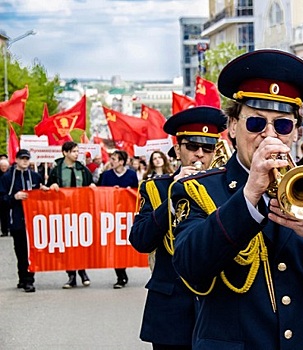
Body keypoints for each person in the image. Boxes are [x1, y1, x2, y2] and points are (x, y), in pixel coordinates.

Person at [170, 49, 303, 349]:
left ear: (295, 132)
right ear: (232, 126)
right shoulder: (197, 190)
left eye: (282, 125)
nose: (269, 135)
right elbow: (189, 268)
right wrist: (248, 197)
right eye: (256, 123)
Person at [130, 106, 227, 349]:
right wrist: (173, 195)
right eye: (192, 147)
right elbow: (141, 240)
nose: (200, 155)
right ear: (177, 149)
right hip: (171, 310)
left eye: (207, 149)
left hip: (218, 305)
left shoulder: (227, 189)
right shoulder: (156, 188)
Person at [46, 141, 96, 289]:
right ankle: (71, 275)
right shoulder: (57, 170)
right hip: (64, 211)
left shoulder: (83, 169)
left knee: (81, 242)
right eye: (73, 151)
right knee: (68, 243)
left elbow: (91, 184)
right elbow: (50, 185)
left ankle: (83, 271)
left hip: (82, 210)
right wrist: (52, 186)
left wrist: (92, 186)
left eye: (77, 151)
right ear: (65, 153)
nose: (76, 154)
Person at [0, 150, 50, 292]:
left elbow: (41, 194)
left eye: (27, 159)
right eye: (22, 159)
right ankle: (22, 277)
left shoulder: (35, 176)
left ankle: (29, 279)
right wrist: (14, 197)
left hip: (33, 220)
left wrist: (45, 191)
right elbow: (2, 198)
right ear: (16, 160)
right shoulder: (7, 178)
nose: (25, 161)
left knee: (30, 251)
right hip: (16, 219)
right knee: (20, 251)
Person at [100, 150, 138, 289]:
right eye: (111, 158)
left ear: (122, 162)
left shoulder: (131, 175)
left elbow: (137, 192)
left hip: (126, 215)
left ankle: (123, 270)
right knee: (114, 244)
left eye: (114, 159)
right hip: (111, 214)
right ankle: (120, 274)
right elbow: (100, 192)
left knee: (124, 243)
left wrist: (128, 191)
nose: (112, 161)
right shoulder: (106, 175)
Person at [0, 158, 11, 236]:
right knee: (3, 215)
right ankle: (4, 230)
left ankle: (10, 228)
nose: (3, 168)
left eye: (5, 166)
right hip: (1, 197)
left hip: (9, 196)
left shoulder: (10, 175)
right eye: (2, 166)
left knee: (9, 214)